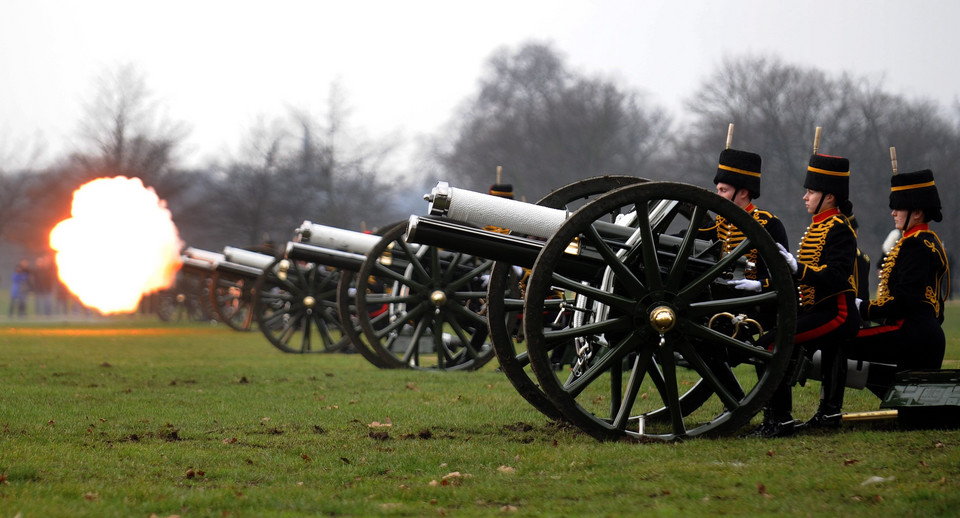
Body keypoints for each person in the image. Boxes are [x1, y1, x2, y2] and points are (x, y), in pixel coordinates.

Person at [751, 152, 862, 437]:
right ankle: (777, 418)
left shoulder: (839, 228)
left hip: (837, 313)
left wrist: (798, 268)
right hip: (818, 311)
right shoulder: (819, 226)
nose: (805, 197)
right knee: (769, 342)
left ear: (830, 197)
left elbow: (836, 276)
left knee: (771, 345)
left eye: (811, 191)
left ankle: (780, 420)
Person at [848, 169, 950, 390]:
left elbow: (904, 300)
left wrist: (863, 308)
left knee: (839, 344)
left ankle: (829, 411)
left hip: (912, 335)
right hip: (926, 335)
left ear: (917, 212)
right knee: (909, 411)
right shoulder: (929, 241)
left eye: (899, 207)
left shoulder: (914, 246)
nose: (893, 213)